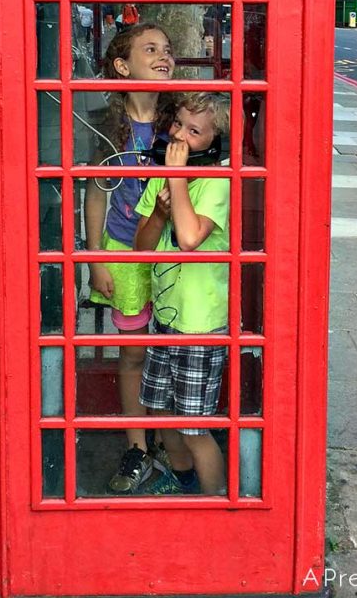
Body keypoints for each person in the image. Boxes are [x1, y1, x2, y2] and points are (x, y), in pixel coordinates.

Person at [83, 24, 176, 494]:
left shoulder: (179, 120)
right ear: (123, 66)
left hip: (175, 254)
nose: (164, 56)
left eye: (167, 50)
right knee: (133, 356)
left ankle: (173, 442)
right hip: (123, 253)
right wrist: (95, 259)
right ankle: (138, 446)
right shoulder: (104, 124)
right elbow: (94, 195)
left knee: (175, 348)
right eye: (151, 49)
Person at [134, 92, 231, 496]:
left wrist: (176, 176)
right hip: (165, 318)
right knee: (160, 411)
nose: (179, 138)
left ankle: (218, 507)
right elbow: (141, 249)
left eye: (194, 132)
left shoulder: (216, 183)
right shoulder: (162, 175)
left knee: (194, 428)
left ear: (214, 142)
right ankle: (184, 482)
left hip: (200, 326)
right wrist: (158, 211)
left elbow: (190, 238)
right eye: (178, 125)